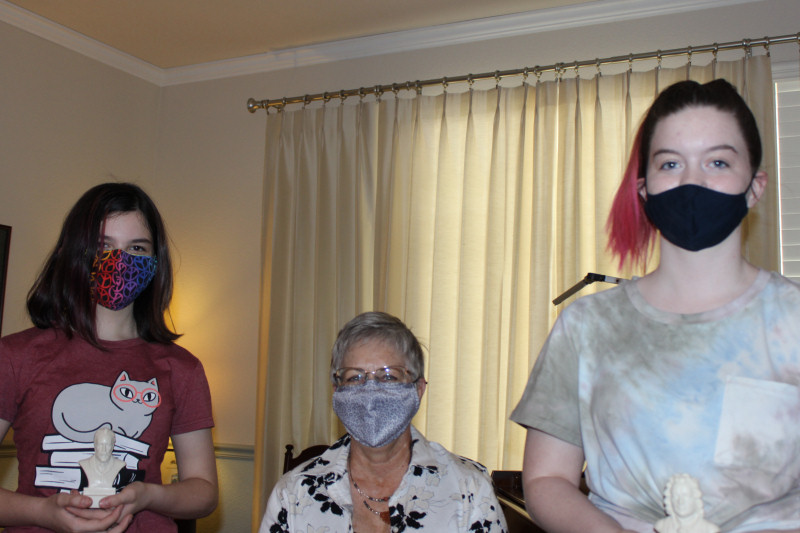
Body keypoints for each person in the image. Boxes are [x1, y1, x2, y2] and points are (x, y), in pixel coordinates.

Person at [510, 79, 800, 532]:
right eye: (670, 164)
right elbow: (548, 479)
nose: (692, 182)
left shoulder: (793, 319)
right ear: (644, 190)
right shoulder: (586, 327)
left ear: (755, 187)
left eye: (718, 162)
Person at [0, 182, 218, 532]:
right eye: (103, 246)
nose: (120, 260)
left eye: (137, 247)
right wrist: (43, 513)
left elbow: (203, 492)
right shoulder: (15, 356)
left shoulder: (182, 368)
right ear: (73, 252)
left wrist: (147, 495)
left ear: (155, 261)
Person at [260, 311, 507, 532]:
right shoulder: (293, 494)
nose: (371, 392)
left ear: (418, 389)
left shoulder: (470, 492)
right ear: (336, 392)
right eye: (354, 377)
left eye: (388, 377)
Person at [654, 474, 719, 533]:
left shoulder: (709, 529)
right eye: (675, 496)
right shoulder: (662, 526)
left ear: (695, 498)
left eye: (686, 495)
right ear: (670, 499)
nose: (680, 501)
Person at [80, 428, 127, 494]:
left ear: (113, 446)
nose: (104, 450)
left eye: (107, 445)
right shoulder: (85, 464)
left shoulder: (120, 465)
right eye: (100, 444)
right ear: (95, 445)